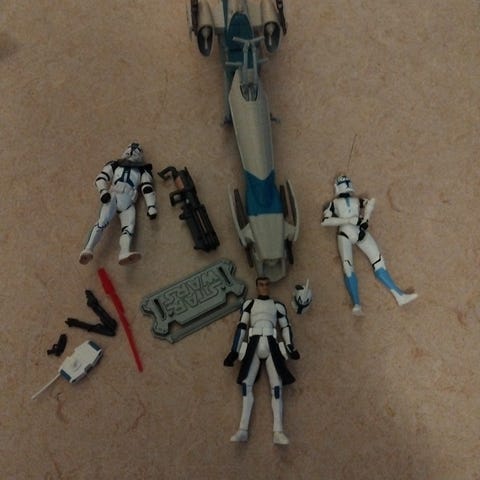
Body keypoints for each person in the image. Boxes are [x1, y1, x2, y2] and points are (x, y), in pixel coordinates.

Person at [321, 175, 418, 315]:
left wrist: (366, 218)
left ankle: (399, 295)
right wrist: (348, 220)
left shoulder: (357, 200)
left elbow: (369, 204)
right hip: (345, 234)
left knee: (378, 261)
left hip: (360, 231)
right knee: (348, 268)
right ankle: (356, 304)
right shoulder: (334, 203)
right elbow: (325, 221)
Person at [224, 276, 300, 444]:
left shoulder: (277, 306)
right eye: (261, 284)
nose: (264, 287)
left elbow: (285, 326)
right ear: (257, 286)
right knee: (246, 385)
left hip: (272, 344)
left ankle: (278, 431)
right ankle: (242, 429)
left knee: (277, 387)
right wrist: (234, 351)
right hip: (254, 344)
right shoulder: (249, 304)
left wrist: (290, 347)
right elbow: (242, 326)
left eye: (266, 284)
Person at [79, 142, 157, 265]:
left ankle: (124, 252)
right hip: (113, 196)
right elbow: (101, 178)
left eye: (136, 151)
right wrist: (103, 192)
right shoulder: (114, 165)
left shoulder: (143, 171)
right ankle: (88, 249)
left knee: (128, 228)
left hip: (129, 202)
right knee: (101, 223)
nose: (132, 152)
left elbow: (147, 188)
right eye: (130, 150)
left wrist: (151, 206)